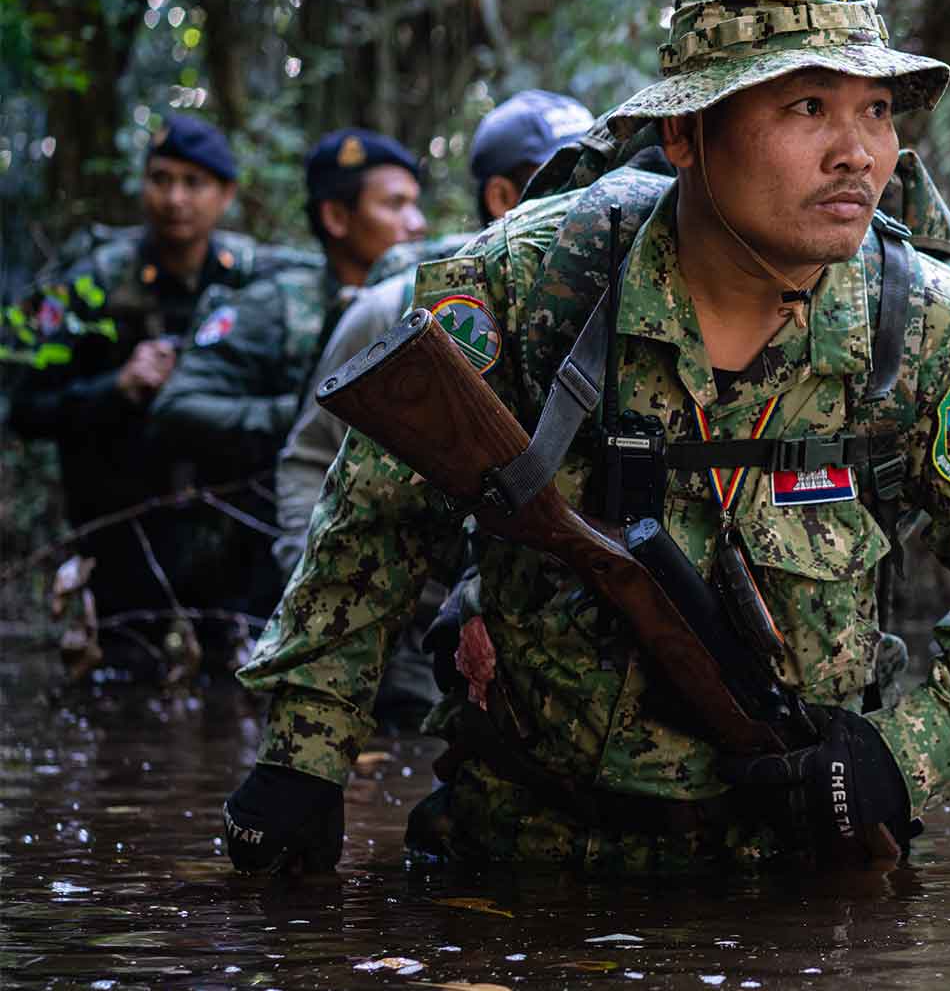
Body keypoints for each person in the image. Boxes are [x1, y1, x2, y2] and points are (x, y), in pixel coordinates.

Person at [222, 0, 950, 878]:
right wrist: (303, 764)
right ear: (686, 134)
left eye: (877, 111)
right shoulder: (529, 287)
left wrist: (901, 763)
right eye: (809, 106)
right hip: (516, 861)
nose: (859, 153)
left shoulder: (938, 333)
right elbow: (374, 527)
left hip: (793, 878)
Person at [266, 92, 598, 730]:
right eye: (567, 175)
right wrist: (341, 626)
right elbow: (312, 461)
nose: (592, 195)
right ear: (503, 197)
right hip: (415, 626)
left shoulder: (621, 299)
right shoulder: (401, 306)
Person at [8, 114, 322, 678]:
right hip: (123, 527)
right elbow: (27, 408)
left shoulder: (262, 280)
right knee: (122, 681)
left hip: (231, 532)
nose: (175, 198)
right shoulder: (91, 283)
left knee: (238, 681)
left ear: (225, 194)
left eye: (193, 182)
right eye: (161, 178)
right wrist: (116, 388)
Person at [147, 129, 426, 622]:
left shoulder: (413, 304)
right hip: (265, 560)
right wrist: (297, 414)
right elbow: (176, 406)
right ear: (337, 217)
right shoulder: (274, 307)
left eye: (415, 205)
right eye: (395, 205)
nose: (416, 224)